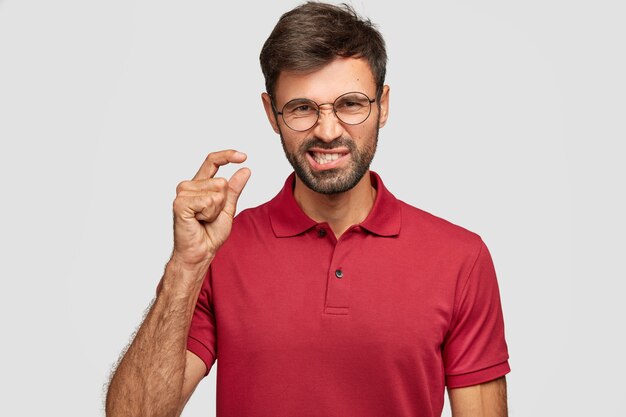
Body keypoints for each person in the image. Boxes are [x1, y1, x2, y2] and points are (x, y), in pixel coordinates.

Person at [106, 2, 510, 416]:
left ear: (382, 105)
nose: (328, 131)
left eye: (351, 104)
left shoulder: (459, 258)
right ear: (272, 113)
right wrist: (186, 266)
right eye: (302, 108)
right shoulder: (220, 250)